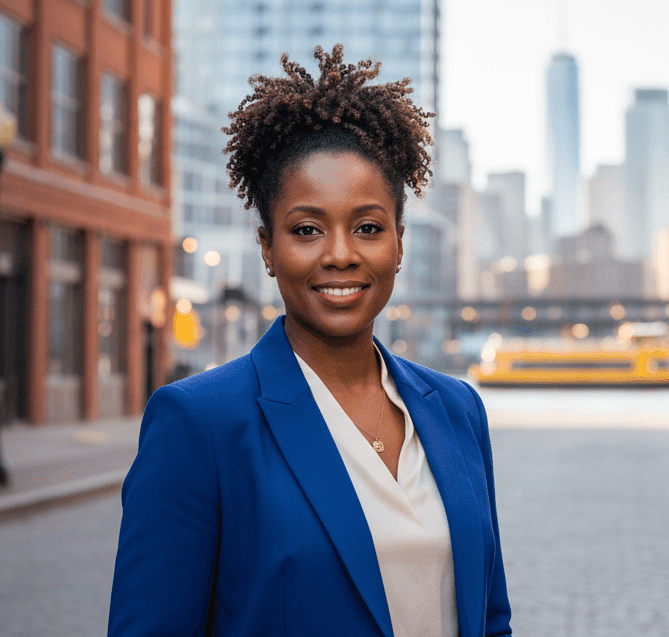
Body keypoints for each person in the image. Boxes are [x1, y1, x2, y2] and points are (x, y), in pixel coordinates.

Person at [108, 47, 512, 637]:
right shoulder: (200, 427)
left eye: (368, 228)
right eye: (307, 230)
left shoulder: (458, 412)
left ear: (399, 244)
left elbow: (490, 617)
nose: (341, 253)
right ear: (268, 248)